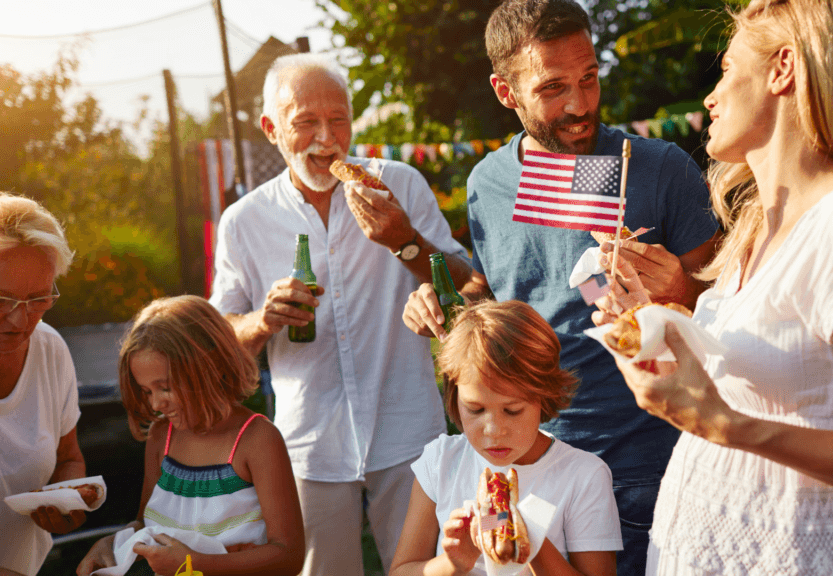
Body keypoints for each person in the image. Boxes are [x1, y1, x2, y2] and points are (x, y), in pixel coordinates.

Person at [605, 0, 833, 573]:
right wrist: (657, 330)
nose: (710, 97)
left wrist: (729, 426)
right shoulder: (750, 233)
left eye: (725, 69)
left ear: (783, 69)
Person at [401, 1, 720, 573]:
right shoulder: (488, 183)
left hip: (647, 452)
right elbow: (501, 297)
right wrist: (446, 303)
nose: (579, 105)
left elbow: (728, 305)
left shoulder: (658, 166)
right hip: (535, 453)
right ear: (506, 91)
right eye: (553, 88)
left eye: (589, 78)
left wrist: (684, 289)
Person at [209, 53, 473, 576]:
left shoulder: (399, 183)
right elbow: (218, 340)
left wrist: (406, 243)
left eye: (338, 121)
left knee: (431, 569)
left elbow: (464, 284)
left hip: (408, 428)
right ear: (271, 128)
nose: (326, 139)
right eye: (305, 122)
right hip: (311, 444)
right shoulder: (244, 221)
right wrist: (261, 320)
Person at [390, 300, 622, 576]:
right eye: (475, 409)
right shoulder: (440, 461)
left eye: (512, 411)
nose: (493, 429)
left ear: (543, 396)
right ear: (454, 396)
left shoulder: (584, 475)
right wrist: (453, 563)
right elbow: (401, 570)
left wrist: (528, 536)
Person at [76, 296, 304, 575]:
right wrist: (113, 544)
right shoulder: (162, 437)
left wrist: (195, 564)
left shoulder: (257, 439)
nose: (156, 404)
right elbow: (148, 526)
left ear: (212, 367)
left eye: (165, 388)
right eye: (147, 391)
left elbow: (289, 556)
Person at [1, 192, 87, 576]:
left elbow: (69, 457)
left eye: (37, 299)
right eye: (1, 299)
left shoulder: (50, 349)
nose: (19, 320)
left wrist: (69, 501)